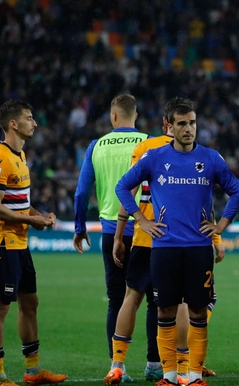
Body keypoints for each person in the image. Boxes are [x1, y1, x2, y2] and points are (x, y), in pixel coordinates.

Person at [115, 98, 239, 386]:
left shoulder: (211, 158)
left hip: (199, 249)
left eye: (192, 123)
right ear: (169, 127)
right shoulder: (154, 158)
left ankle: (195, 375)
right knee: (165, 310)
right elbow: (122, 186)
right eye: (182, 123)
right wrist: (142, 220)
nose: (188, 129)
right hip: (164, 248)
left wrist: (221, 225)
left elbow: (237, 191)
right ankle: (170, 376)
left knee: (198, 310)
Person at [0, 99, 67, 386]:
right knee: (0, 307)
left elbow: (18, 205)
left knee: (30, 303)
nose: (35, 122)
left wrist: (39, 215)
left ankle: (33, 371)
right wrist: (32, 221)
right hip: (1, 243)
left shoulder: (21, 156)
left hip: (19, 243)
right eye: (30, 118)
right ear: (13, 124)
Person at [72, 95, 151, 377]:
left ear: (113, 116)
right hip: (146, 231)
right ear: (136, 115)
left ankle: (117, 366)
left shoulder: (96, 146)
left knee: (116, 299)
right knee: (156, 299)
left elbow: (81, 192)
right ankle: (155, 364)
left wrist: (79, 227)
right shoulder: (150, 142)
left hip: (111, 232)